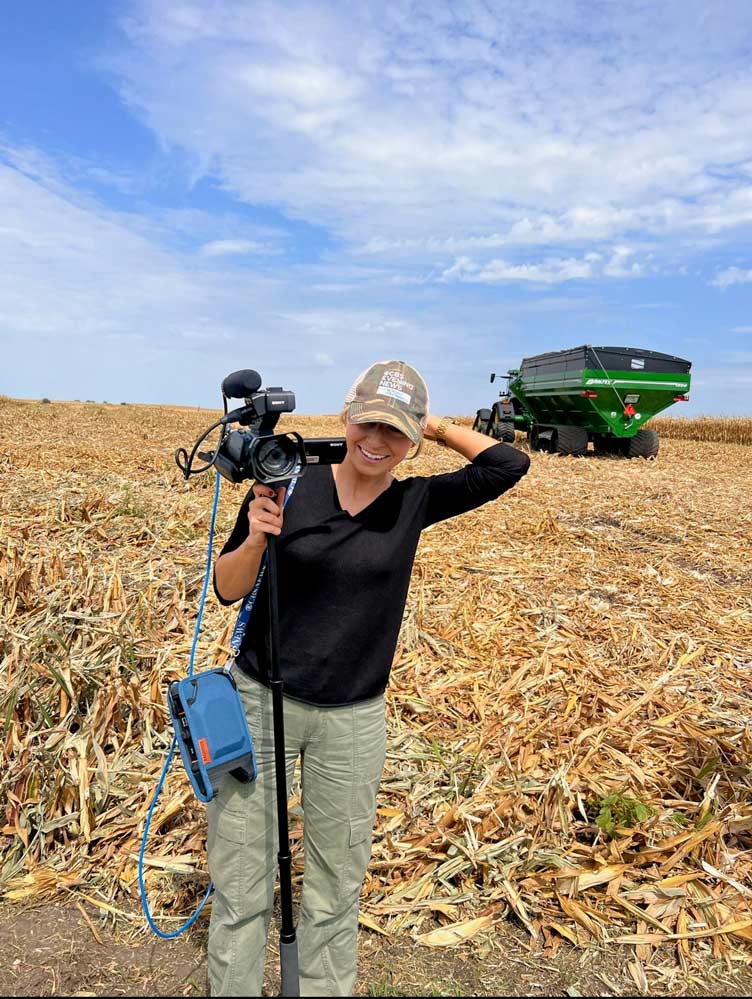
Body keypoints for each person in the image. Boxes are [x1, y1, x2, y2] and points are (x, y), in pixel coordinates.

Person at [208, 360, 530, 996]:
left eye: (396, 432)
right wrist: (257, 540)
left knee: (335, 883)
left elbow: (507, 467)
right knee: (243, 881)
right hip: (259, 702)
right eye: (369, 423)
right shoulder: (286, 483)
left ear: (411, 441)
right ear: (346, 418)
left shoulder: (415, 501)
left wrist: (432, 424)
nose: (378, 443)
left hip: (352, 721)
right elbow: (226, 589)